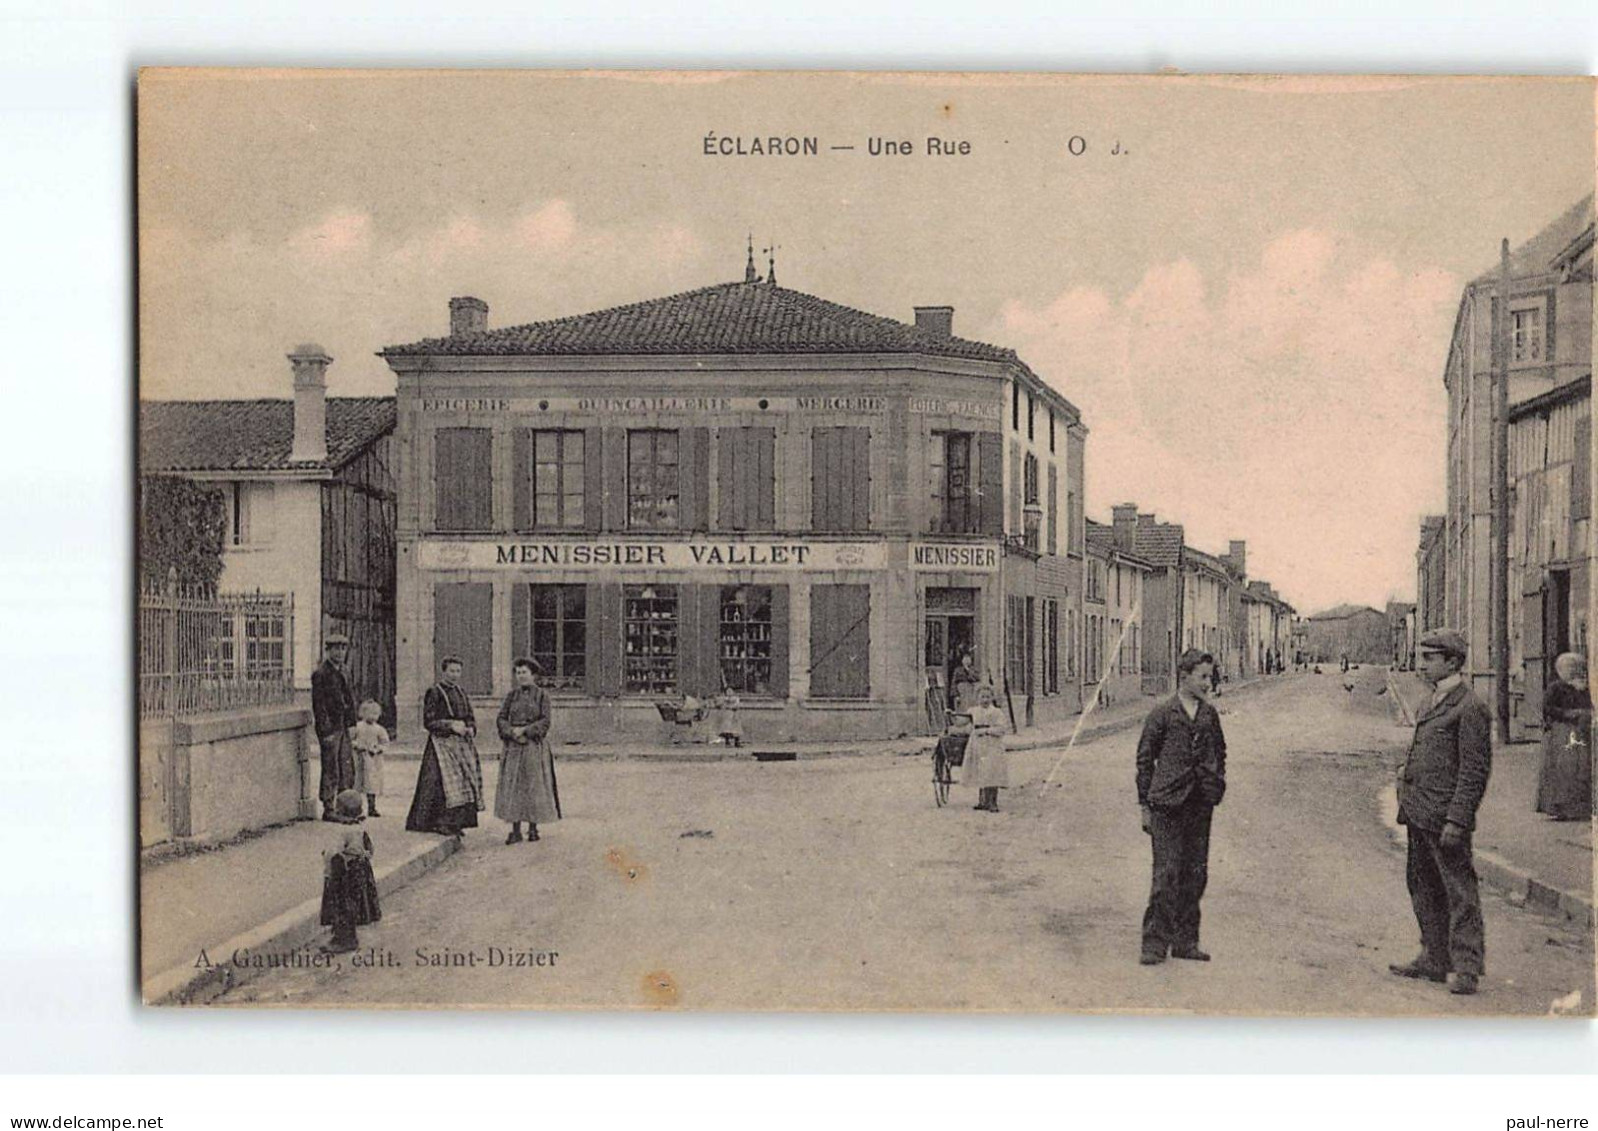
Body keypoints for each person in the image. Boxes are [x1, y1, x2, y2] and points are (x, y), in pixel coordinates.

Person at [1390, 629, 1492, 996]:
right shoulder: (1430, 701)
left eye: (1431, 657)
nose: (1424, 663)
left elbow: (1473, 771)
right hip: (1419, 811)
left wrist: (1459, 819)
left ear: (1452, 662)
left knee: (1459, 891)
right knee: (1423, 886)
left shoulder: (1470, 707)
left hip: (1445, 817)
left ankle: (1467, 967)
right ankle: (1433, 957)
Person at [1136, 648, 1227, 965]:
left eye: (1209, 676)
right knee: (1166, 874)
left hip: (1199, 805)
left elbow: (1220, 751)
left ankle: (1186, 941)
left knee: (1195, 873)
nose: (1207, 683)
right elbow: (1145, 760)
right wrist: (1145, 806)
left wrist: (1214, 784)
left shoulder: (1209, 715)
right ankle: (1154, 943)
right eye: (1202, 677)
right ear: (1184, 676)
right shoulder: (1162, 714)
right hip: (1167, 806)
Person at [405, 656, 485, 837]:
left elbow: (469, 716)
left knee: (463, 782)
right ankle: (439, 822)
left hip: (461, 744)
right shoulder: (434, 692)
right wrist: (450, 725)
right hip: (440, 745)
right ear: (444, 672)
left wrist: (471, 727)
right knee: (440, 783)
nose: (455, 675)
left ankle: (455, 822)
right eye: (451, 671)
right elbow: (429, 721)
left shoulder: (461, 692)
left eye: (458, 671)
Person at [494, 658, 561, 844]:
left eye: (524, 672)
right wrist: (511, 731)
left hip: (533, 747)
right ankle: (515, 830)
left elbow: (545, 721)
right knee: (514, 786)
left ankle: (533, 828)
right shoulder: (511, 696)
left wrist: (526, 730)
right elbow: (501, 718)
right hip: (513, 747)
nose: (521, 676)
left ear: (533, 675)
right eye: (518, 673)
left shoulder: (542, 696)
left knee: (533, 785)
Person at [319, 789, 380, 955]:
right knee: (353, 906)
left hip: (345, 874)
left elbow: (333, 852)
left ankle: (343, 940)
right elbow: (370, 849)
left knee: (341, 906)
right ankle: (349, 937)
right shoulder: (360, 829)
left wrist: (327, 861)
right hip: (360, 871)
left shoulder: (342, 832)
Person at [1535, 652, 1592, 821]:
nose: (1574, 672)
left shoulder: (1584, 687)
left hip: (1581, 732)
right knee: (1563, 770)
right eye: (1570, 668)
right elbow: (1548, 708)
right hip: (1561, 734)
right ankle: (1560, 806)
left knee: (1581, 769)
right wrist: (1568, 714)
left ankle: (1579, 806)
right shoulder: (1555, 688)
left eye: (1577, 668)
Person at [311, 633, 360, 822]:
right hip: (330, 729)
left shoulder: (345, 671)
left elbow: (350, 699)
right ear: (328, 650)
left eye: (342, 648)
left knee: (346, 766)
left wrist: (353, 723)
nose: (339, 652)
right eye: (335, 648)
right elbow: (319, 706)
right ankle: (329, 807)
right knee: (331, 768)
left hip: (344, 726)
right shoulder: (321, 674)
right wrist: (326, 732)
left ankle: (345, 806)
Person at [959, 684, 1010, 812]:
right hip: (977, 744)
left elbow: (1002, 728)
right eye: (982, 697)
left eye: (987, 697)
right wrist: (951, 715)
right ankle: (982, 801)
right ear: (977, 698)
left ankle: (993, 802)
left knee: (992, 771)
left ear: (992, 697)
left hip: (992, 744)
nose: (985, 700)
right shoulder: (973, 711)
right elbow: (962, 721)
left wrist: (987, 730)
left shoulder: (996, 712)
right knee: (980, 771)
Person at [352, 699, 388, 818]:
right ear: (362, 713)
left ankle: (372, 807)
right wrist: (357, 745)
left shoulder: (379, 729)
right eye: (370, 714)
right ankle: (356, 808)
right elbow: (350, 740)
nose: (373, 717)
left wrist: (378, 748)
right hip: (359, 759)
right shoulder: (358, 727)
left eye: (375, 714)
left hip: (373, 761)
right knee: (357, 783)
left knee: (372, 784)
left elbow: (385, 743)